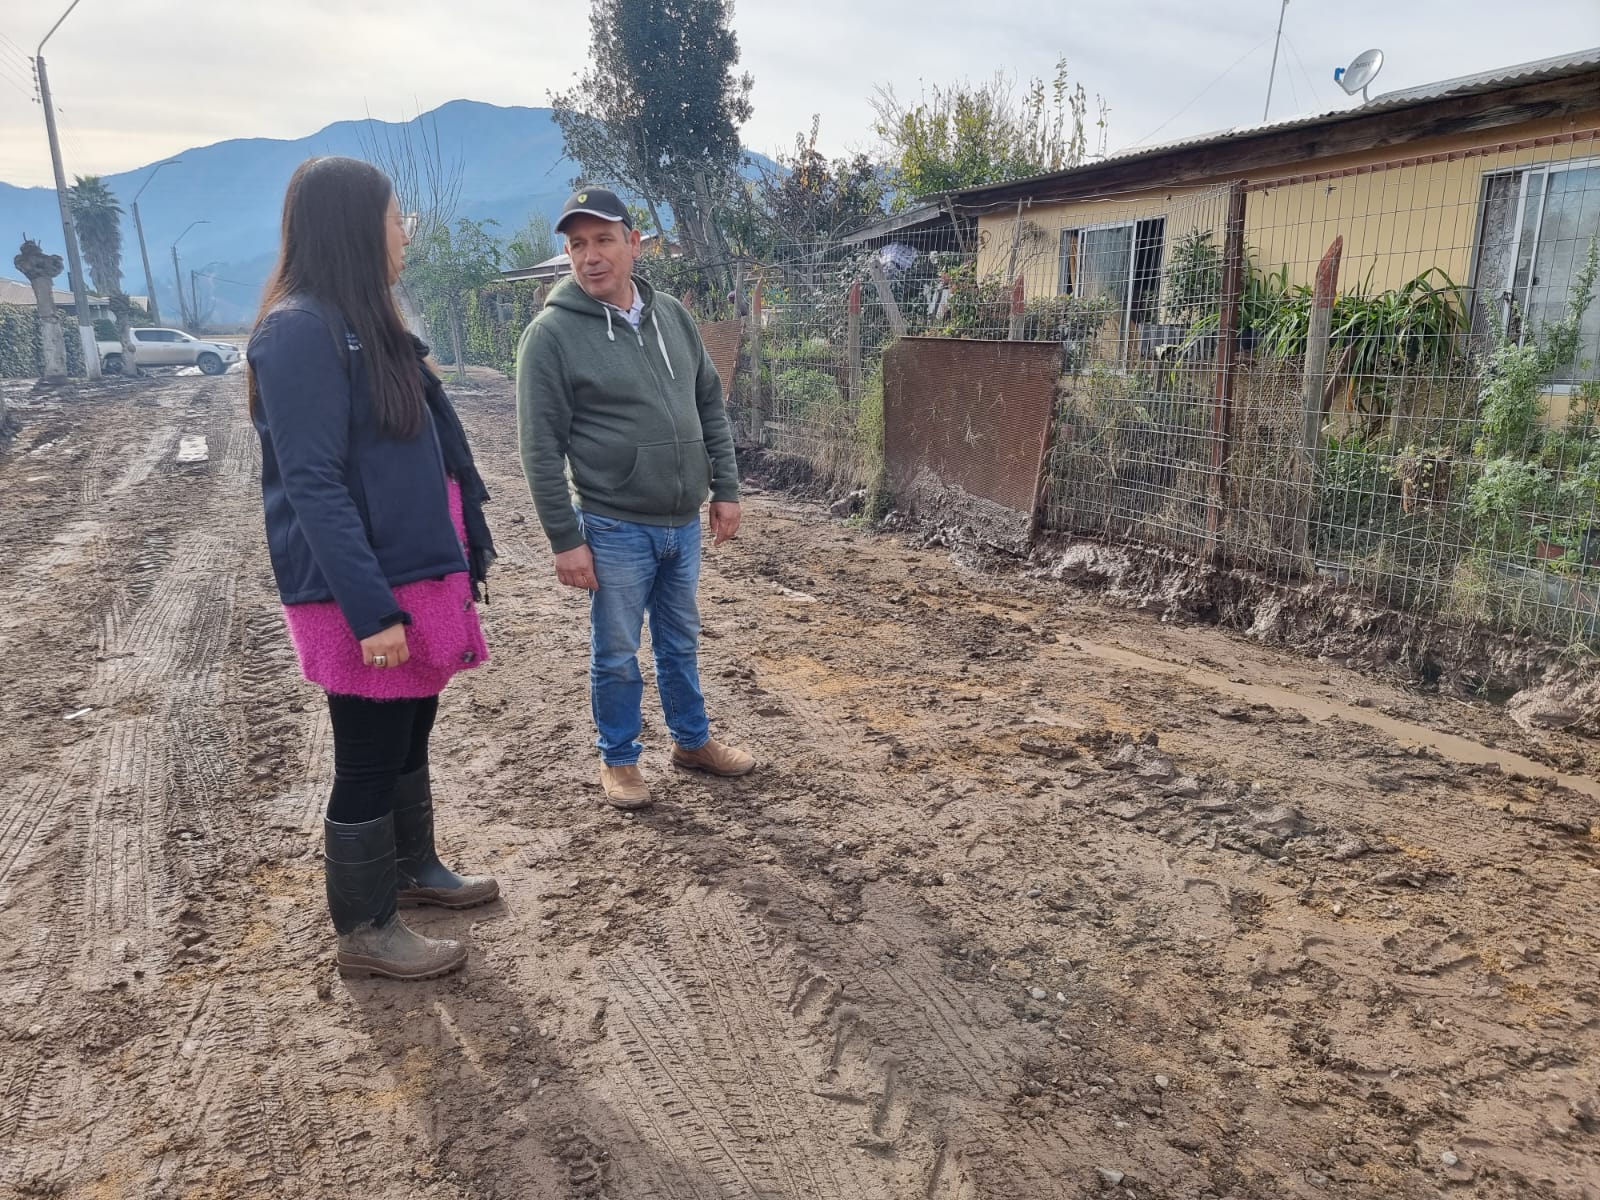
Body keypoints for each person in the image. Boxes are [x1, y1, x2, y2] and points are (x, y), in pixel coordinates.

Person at [247, 156, 499, 981]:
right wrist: (371, 610)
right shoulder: (298, 331)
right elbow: (312, 483)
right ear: (357, 227)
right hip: (364, 593)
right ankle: (364, 927)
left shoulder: (370, 320)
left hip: (414, 577)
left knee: (411, 730)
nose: (405, 236)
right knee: (365, 753)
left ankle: (411, 869)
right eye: (398, 220)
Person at [516, 186, 754, 810]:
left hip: (681, 522)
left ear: (634, 244)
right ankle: (619, 760)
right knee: (617, 649)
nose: (590, 256)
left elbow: (709, 404)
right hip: (613, 523)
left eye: (603, 240)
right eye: (577, 245)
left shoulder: (671, 313)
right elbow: (539, 449)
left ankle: (691, 742)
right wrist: (565, 540)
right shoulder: (551, 336)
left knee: (681, 640)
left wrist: (725, 489)